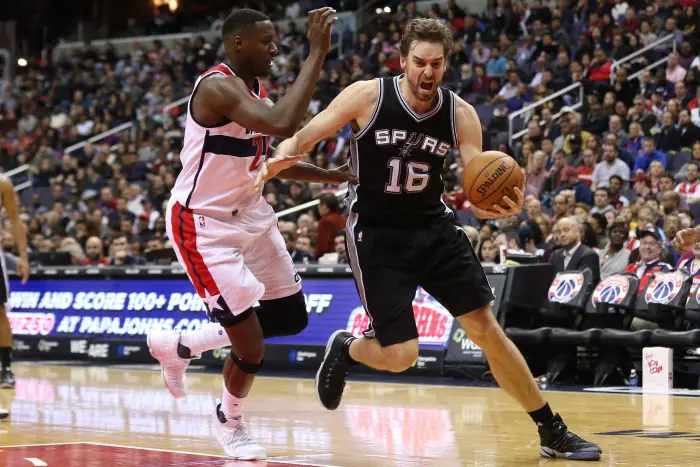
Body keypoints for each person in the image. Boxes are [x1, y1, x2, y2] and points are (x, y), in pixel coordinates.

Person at [257, 18, 601, 461]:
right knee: (401, 355)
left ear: (445, 65)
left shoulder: (460, 113)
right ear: (403, 61)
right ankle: (346, 346)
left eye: (436, 64)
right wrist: (276, 161)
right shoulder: (368, 95)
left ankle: (551, 430)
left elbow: (479, 185)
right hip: (376, 234)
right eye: (419, 62)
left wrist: (497, 205)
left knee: (488, 331)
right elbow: (304, 137)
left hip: (434, 228)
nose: (427, 72)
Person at [145, 8, 351, 460]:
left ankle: (180, 346)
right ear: (238, 43)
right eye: (267, 41)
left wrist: (333, 174)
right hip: (204, 226)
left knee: (291, 318)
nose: (275, 49)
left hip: (251, 214)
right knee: (251, 347)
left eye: (277, 41)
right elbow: (282, 124)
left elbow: (267, 160)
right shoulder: (217, 87)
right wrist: (317, 53)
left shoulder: (254, 89)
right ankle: (229, 421)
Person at [0, 176, 30, 389]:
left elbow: (15, 219)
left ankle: (5, 368)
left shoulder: (3, 183)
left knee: (0, 312)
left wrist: (24, 257)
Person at [548, 217, 601, 284]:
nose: (562, 235)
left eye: (566, 230)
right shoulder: (555, 255)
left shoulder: (589, 255)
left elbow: (584, 285)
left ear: (578, 231)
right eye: (559, 232)